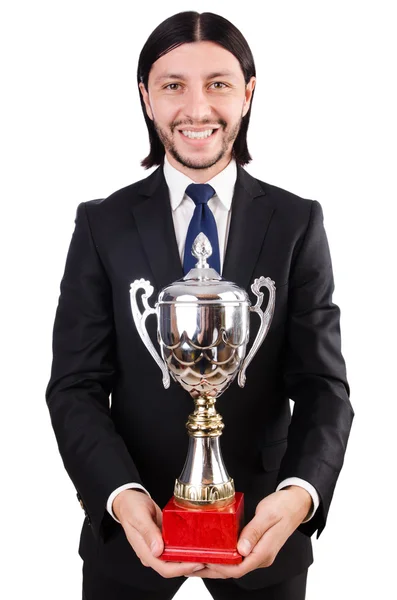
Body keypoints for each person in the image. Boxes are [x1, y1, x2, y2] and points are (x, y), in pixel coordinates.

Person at [46, 11, 354, 600]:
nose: (196, 108)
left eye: (217, 83)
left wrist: (299, 493)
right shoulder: (101, 223)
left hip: (265, 525)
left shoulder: (295, 221)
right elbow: (76, 384)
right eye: (172, 85)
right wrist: (119, 497)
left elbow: (323, 385)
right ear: (146, 97)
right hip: (129, 529)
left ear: (248, 94)